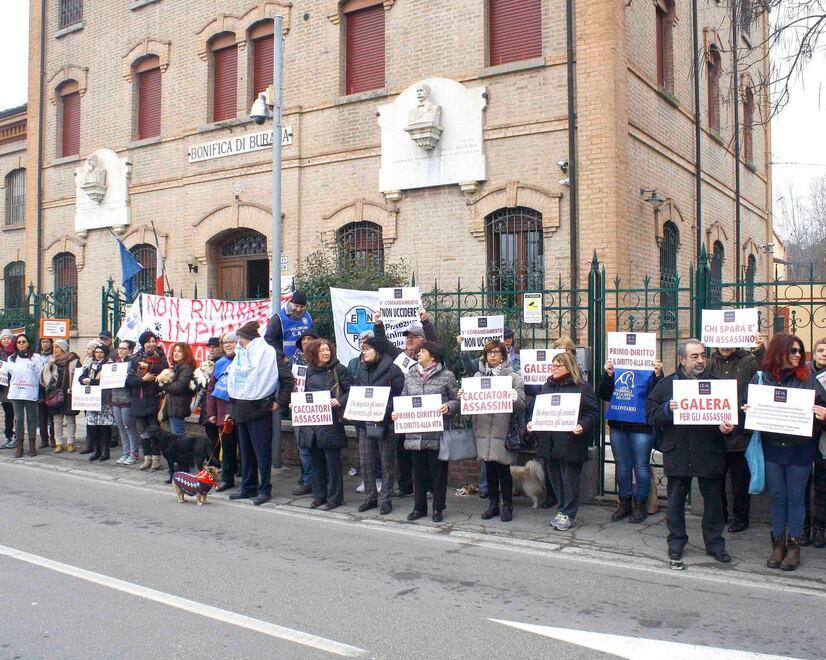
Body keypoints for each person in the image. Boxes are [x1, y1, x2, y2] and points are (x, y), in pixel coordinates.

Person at [646, 338, 735, 566]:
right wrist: (667, 408)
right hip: (678, 452)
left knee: (714, 501)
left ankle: (715, 544)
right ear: (682, 359)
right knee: (675, 501)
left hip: (709, 451)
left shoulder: (717, 385)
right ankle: (676, 542)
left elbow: (732, 419)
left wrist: (727, 428)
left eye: (703, 355)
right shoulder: (666, 386)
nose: (700, 360)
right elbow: (651, 415)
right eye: (694, 356)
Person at [743, 333, 826, 571]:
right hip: (772, 448)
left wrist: (824, 415)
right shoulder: (761, 379)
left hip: (800, 449)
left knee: (795, 497)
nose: (798, 355)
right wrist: (748, 410)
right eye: (793, 351)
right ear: (778, 352)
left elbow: (824, 407)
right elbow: (745, 410)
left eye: (800, 351)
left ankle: (794, 547)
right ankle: (778, 545)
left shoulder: (809, 379)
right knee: (778, 498)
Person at [529, 351, 599, 531]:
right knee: (555, 480)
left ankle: (569, 513)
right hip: (549, 442)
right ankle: (562, 510)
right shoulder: (546, 386)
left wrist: (582, 425)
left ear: (568, 367)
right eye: (552, 365)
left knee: (569, 480)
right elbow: (538, 410)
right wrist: (532, 423)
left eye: (557, 365)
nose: (553, 368)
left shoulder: (582, 387)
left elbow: (592, 413)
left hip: (570, 442)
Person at [392, 341, 459, 522]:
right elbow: (403, 398)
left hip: (436, 434)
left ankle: (438, 508)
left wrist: (449, 406)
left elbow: (457, 401)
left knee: (438, 474)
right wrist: (397, 412)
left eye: (422, 351)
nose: (418, 353)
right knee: (418, 473)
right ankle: (419, 507)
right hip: (415, 433)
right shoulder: (411, 375)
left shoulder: (447, 376)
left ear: (433, 356)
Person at [458, 340, 525, 522]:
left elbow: (521, 406)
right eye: (489, 353)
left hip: (503, 430)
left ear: (503, 355)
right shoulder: (479, 377)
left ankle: (508, 504)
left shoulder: (513, 377)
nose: (493, 355)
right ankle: (493, 504)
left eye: (496, 352)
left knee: (503, 470)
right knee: (489, 469)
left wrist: (514, 398)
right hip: (484, 429)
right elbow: (471, 403)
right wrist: (464, 396)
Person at [227, 321, 293, 506]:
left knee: (262, 453)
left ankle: (264, 489)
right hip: (241, 409)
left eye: (240, 338)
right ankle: (248, 487)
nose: (238, 341)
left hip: (260, 409)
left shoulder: (268, 353)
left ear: (249, 338)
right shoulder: (241, 354)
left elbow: (287, 379)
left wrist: (279, 403)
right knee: (246, 453)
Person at [375, 308, 438, 498]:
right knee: (403, 450)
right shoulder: (399, 355)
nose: (409, 340)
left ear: (423, 340)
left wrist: (425, 321)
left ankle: (428, 487)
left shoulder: (429, 356)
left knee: (423, 451)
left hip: (423, 411)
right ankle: (406, 486)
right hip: (404, 412)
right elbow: (383, 343)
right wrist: (378, 325)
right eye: (407, 337)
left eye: (414, 337)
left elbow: (434, 341)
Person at [599, 357, 664, 523]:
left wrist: (657, 376)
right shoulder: (615, 370)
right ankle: (624, 503)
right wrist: (607, 375)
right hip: (618, 424)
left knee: (641, 466)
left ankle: (640, 505)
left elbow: (657, 396)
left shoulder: (650, 371)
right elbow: (603, 394)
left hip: (642, 426)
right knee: (622, 466)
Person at [349, 335, 405, 515]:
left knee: (387, 463)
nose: (363, 353)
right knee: (366, 462)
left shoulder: (392, 370)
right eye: (362, 349)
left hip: (385, 423)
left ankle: (386, 499)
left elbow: (400, 396)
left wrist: (383, 410)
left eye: (367, 349)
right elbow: (357, 392)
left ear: (378, 351)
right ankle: (370, 497)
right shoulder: (361, 369)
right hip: (365, 423)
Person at [296, 338, 352, 511]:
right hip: (312, 424)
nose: (326, 353)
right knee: (316, 462)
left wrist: (339, 400)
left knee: (333, 463)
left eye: (328, 350)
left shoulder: (339, 369)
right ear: (314, 353)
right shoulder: (308, 372)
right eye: (322, 350)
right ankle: (319, 496)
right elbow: (302, 393)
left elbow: (351, 390)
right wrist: (296, 404)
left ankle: (335, 498)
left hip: (331, 423)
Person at [709, 344, 758, 532]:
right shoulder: (709, 363)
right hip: (715, 433)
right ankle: (720, 514)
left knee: (740, 481)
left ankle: (741, 518)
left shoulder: (749, 361)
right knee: (716, 478)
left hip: (740, 433)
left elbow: (760, 385)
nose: (725, 346)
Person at [126, 330, 169, 469]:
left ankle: (156, 458)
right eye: (148, 341)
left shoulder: (160, 356)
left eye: (153, 341)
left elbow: (164, 369)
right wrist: (142, 379)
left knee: (155, 430)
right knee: (143, 431)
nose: (151, 344)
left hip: (153, 398)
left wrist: (149, 366)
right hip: (139, 399)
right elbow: (129, 380)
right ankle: (147, 457)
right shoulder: (135, 358)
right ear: (143, 344)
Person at [289, 329, 319, 496]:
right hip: (299, 409)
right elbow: (288, 382)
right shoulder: (294, 360)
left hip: (317, 409)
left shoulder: (322, 359)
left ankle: (319, 478)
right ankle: (308, 480)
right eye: (304, 339)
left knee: (316, 446)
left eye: (310, 338)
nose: (306, 342)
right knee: (303, 447)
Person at [207, 332, 238, 492]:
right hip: (222, 413)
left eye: (231, 341)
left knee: (246, 450)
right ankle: (227, 478)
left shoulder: (244, 361)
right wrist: (211, 412)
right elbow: (211, 388)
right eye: (225, 342)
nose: (228, 345)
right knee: (227, 448)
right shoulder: (219, 364)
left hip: (240, 413)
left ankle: (246, 479)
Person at [6, 333, 43, 458]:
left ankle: (32, 445)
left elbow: (39, 374)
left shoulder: (36, 358)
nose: (21, 344)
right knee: (19, 419)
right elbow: (9, 375)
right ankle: (19, 445)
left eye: (23, 341)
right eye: (19, 342)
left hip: (30, 392)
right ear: (16, 344)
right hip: (16, 392)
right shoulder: (11, 358)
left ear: (28, 343)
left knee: (32, 419)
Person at [40, 339, 80, 453]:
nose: (55, 350)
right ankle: (58, 443)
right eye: (54, 347)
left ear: (63, 348)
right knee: (57, 419)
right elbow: (45, 380)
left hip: (69, 393)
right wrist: (50, 365)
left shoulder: (74, 360)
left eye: (57, 347)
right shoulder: (51, 361)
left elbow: (78, 375)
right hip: (55, 394)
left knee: (70, 418)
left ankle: (70, 442)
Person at [804, 337, 826, 548]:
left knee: (822, 486)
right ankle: (804, 528)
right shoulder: (803, 374)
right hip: (803, 437)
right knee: (801, 485)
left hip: (824, 440)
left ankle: (819, 528)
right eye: (820, 350)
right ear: (814, 353)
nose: (824, 354)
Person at [79, 343, 116, 462]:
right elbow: (81, 377)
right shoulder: (91, 364)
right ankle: (97, 450)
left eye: (101, 352)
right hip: (91, 399)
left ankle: (105, 451)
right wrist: (84, 380)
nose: (98, 355)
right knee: (93, 425)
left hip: (104, 399)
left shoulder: (109, 364)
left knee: (104, 426)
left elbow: (106, 380)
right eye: (96, 352)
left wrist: (92, 381)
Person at [111, 340, 140, 464]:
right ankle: (125, 452)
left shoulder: (132, 362)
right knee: (121, 427)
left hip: (127, 399)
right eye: (119, 348)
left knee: (129, 427)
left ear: (130, 350)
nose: (121, 351)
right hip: (116, 398)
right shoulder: (114, 363)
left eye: (124, 348)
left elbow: (134, 380)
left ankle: (134, 454)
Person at [159, 342, 196, 436]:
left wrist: (163, 385)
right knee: (176, 436)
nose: (175, 353)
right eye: (175, 351)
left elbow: (179, 387)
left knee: (179, 437)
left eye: (179, 351)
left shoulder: (186, 368)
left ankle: (185, 451)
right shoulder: (177, 367)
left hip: (178, 407)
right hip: (173, 407)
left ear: (185, 354)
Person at [264, 291, 313, 359]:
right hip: (286, 361)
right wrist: (282, 356)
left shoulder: (308, 316)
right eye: (296, 306)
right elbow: (268, 338)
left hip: (307, 359)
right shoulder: (278, 318)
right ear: (290, 303)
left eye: (301, 307)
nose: (298, 309)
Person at [195, 337, 221, 460]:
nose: (211, 349)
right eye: (210, 347)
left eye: (214, 347)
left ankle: (225, 462)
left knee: (223, 437)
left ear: (220, 348)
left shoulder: (222, 362)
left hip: (220, 405)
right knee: (211, 437)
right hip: (207, 406)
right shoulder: (204, 364)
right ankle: (213, 461)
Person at [37, 337, 56, 449]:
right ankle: (44, 440)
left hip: (51, 389)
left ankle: (53, 438)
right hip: (40, 390)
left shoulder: (54, 357)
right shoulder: (36, 357)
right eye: (43, 342)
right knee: (42, 417)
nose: (45, 344)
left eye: (47, 342)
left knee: (52, 416)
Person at [1, 328, 17, 449]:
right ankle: (8, 436)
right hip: (3, 388)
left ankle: (17, 437)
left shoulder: (16, 352)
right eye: (3, 338)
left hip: (15, 387)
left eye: (8, 338)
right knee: (8, 414)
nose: (6, 340)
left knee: (17, 414)